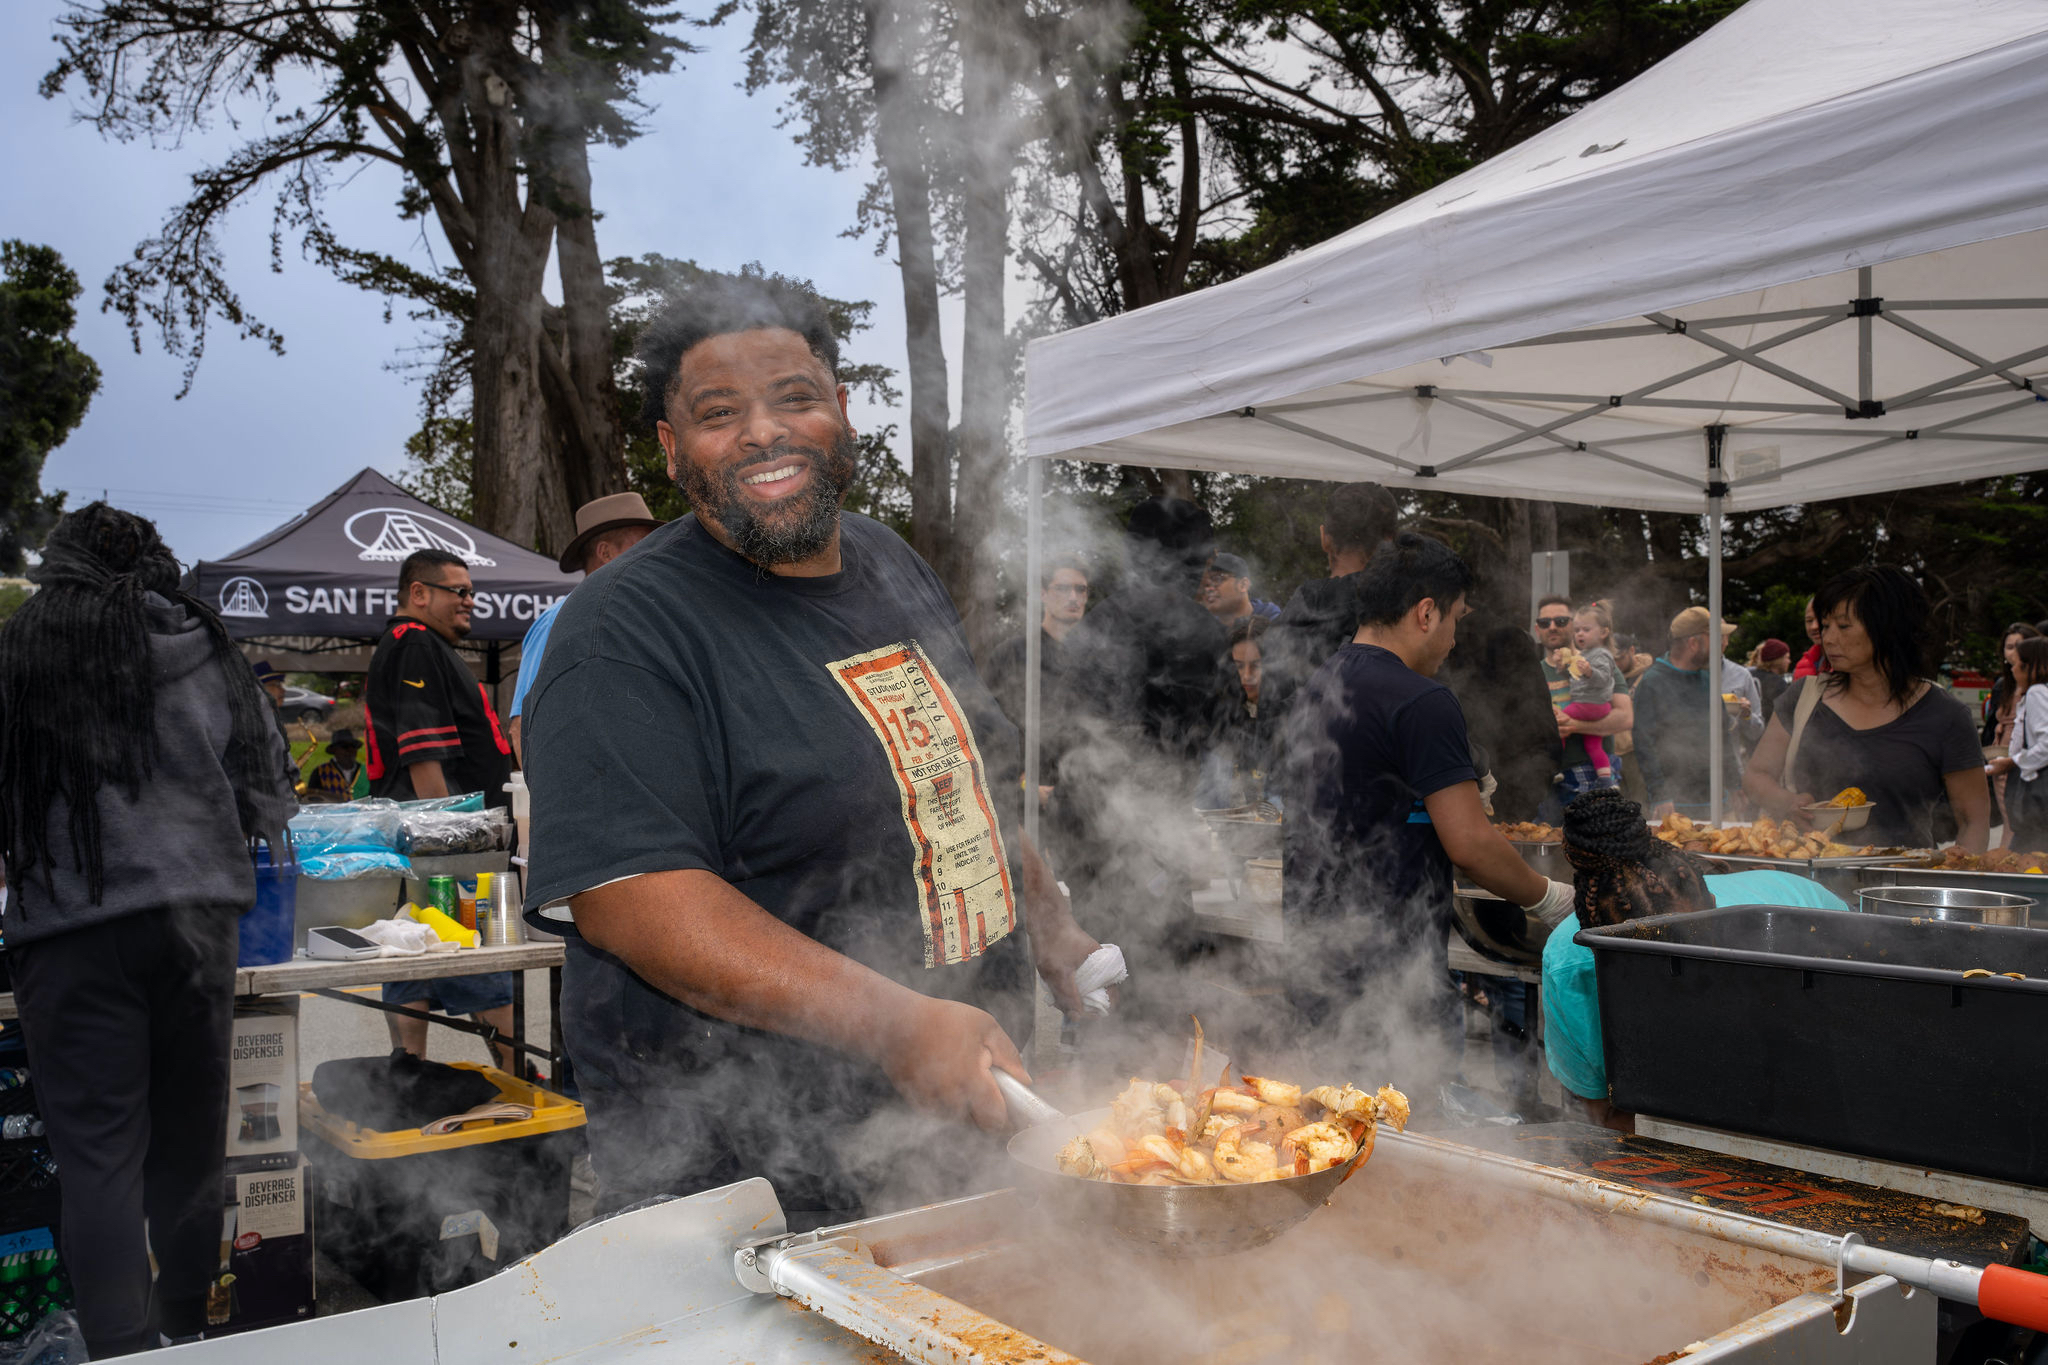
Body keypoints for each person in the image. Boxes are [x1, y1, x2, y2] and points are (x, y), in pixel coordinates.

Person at [520, 272, 1098, 1225]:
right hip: (751, 1172)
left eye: (794, 397)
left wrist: (1050, 922)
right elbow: (636, 899)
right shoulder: (619, 631)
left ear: (841, 410)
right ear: (671, 451)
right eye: (718, 412)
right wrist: (900, 1025)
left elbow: (958, 776)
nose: (762, 432)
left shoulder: (889, 560)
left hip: (958, 1130)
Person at [0, 504, 297, 1357]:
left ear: (61, 569)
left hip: (71, 932)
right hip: (194, 924)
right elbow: (268, 781)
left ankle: (123, 1349)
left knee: (99, 1160)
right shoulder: (205, 644)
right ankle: (190, 1328)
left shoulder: (26, 645)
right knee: (190, 1148)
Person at [1282, 533, 1572, 1080]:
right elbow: (1470, 845)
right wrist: (1549, 898)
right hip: (1393, 970)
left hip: (1314, 953)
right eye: (1456, 618)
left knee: (1331, 1121)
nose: (1455, 638)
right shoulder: (1423, 700)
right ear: (1425, 612)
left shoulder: (1320, 683)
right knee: (1408, 1129)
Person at [1541, 790, 1848, 1133]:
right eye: (1652, 962)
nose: (1676, 973)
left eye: (1690, 945)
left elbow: (1828, 1078)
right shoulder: (1571, 966)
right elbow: (1607, 1113)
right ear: (1603, 949)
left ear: (1715, 908)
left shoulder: (1780, 935)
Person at [365, 548, 520, 1071]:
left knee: (417, 958)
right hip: (444, 842)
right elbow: (422, 756)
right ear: (419, 593)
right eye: (459, 591)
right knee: (478, 957)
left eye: (472, 592)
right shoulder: (414, 645)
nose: (469, 602)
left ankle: (408, 1075)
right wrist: (451, 849)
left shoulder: (421, 645)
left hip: (433, 843)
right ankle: (517, 1073)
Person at [1744, 566, 1989, 851]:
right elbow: (1755, 776)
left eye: (1843, 626)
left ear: (1888, 628)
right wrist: (1787, 802)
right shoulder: (1804, 698)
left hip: (1901, 884)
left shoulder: (1945, 714)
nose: (1829, 638)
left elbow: (1974, 821)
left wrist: (1952, 882)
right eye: (1825, 626)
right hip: (1809, 881)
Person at [508, 491, 663, 762]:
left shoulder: (641, 618)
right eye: (642, 545)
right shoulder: (558, 619)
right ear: (605, 552)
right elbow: (522, 726)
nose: (655, 554)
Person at [1262, 482, 1400, 714]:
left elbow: (1268, 690)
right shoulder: (1416, 607)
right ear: (1391, 540)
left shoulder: (1307, 603)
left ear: (1325, 537)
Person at [1630, 607, 1741, 820]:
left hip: (1719, 802)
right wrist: (1660, 794)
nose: (1722, 645)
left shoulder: (1709, 679)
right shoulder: (1653, 682)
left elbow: (1722, 735)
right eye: (1715, 639)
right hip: (1675, 805)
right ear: (1693, 643)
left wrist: (1734, 783)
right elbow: (1645, 744)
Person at [1537, 595, 1634, 812]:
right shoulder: (1532, 673)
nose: (1552, 627)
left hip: (1591, 778)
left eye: (1561, 621)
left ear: (1574, 625)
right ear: (1537, 629)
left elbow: (1625, 718)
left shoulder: (1599, 662)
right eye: (1545, 623)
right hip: (1545, 783)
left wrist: (1572, 726)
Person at [984, 553, 1088, 739]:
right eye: (1062, 588)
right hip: (1027, 765)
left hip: (1088, 765)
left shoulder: (1095, 659)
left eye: (1081, 589)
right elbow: (986, 721)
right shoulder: (1011, 654)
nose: (1074, 597)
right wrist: (1017, 766)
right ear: (1043, 594)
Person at [1195, 617, 1281, 810]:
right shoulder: (1224, 709)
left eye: (1256, 665)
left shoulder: (1293, 711)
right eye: (1239, 665)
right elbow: (1209, 794)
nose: (1246, 675)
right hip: (1232, 831)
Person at [1984, 622, 2042, 846]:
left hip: (2023, 761)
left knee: (2019, 818)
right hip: (2000, 758)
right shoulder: (2004, 684)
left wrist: (2016, 759)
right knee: (2009, 817)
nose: (2013, 651)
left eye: (2019, 645)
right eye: (2009, 646)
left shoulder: (2037, 689)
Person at [1200, 552, 1279, 626]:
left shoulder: (1273, 625)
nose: (1208, 588)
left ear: (1243, 585)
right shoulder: (1202, 627)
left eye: (1217, 579)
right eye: (1205, 583)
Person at [304, 727, 367, 803]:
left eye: (353, 746)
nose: (349, 751)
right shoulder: (320, 773)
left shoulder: (366, 772)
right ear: (335, 750)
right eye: (345, 747)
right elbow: (311, 800)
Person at [1747, 638, 1793, 725]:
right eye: (1787, 657)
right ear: (1778, 660)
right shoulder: (1778, 683)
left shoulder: (1748, 674)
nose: (1789, 661)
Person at [1793, 598, 1830, 678]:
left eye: (1820, 619)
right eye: (1809, 621)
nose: (1814, 627)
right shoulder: (1803, 664)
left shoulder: (1850, 663)